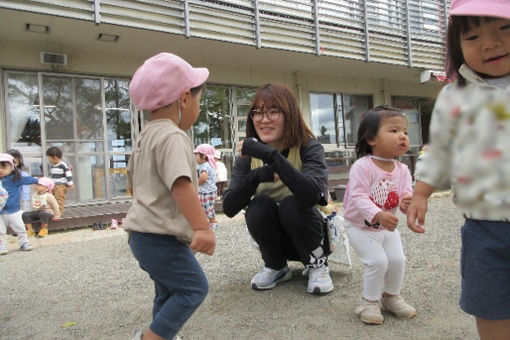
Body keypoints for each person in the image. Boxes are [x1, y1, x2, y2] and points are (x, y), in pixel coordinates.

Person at [407, 1, 510, 338]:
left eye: (505, 29)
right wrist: (422, 191)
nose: (490, 43)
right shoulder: (455, 96)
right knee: (490, 303)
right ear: (457, 46)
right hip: (484, 226)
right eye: (473, 36)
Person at [125, 52, 215, 340]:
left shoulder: (144, 136)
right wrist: (201, 227)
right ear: (184, 98)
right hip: (160, 237)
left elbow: (133, 185)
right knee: (193, 288)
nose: (197, 109)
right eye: (198, 102)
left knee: (168, 288)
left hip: (141, 235)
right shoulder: (173, 136)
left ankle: (163, 333)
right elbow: (181, 184)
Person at [222, 83, 333, 294]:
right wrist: (256, 175)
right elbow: (229, 207)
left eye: (274, 112)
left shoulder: (308, 147)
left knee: (293, 203)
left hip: (311, 237)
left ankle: (318, 265)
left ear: (289, 115)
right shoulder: (247, 156)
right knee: (258, 205)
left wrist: (269, 155)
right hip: (276, 241)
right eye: (258, 113)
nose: (264, 119)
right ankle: (276, 266)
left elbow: (313, 196)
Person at [342, 106, 415, 325]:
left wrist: (405, 204)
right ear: (372, 138)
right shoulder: (362, 167)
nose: (402, 135)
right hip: (359, 226)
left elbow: (405, 194)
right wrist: (378, 214)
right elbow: (358, 197)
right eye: (394, 131)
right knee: (377, 261)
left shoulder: (402, 169)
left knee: (396, 259)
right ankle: (369, 302)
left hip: (386, 227)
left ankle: (391, 297)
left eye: (405, 132)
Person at [0, 153, 38, 255]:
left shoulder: (15, 179)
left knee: (20, 228)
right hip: (0, 212)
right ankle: (1, 246)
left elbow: (28, 180)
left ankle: (24, 242)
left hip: (14, 210)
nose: (0, 170)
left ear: (11, 167)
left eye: (3, 167)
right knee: (0, 231)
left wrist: (39, 180)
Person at [194, 144, 219, 229]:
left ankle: (213, 222)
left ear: (204, 156)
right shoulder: (209, 164)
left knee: (207, 207)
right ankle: (208, 222)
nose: (195, 157)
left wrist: (196, 182)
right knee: (205, 206)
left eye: (196, 155)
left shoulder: (204, 166)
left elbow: (203, 178)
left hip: (206, 191)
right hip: (209, 190)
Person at [46, 146, 74, 215]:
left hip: (61, 185)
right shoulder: (53, 166)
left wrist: (70, 183)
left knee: (59, 198)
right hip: (53, 185)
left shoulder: (62, 165)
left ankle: (59, 212)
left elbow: (68, 174)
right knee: (51, 197)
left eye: (49, 158)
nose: (48, 159)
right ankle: (53, 210)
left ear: (55, 157)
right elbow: (52, 176)